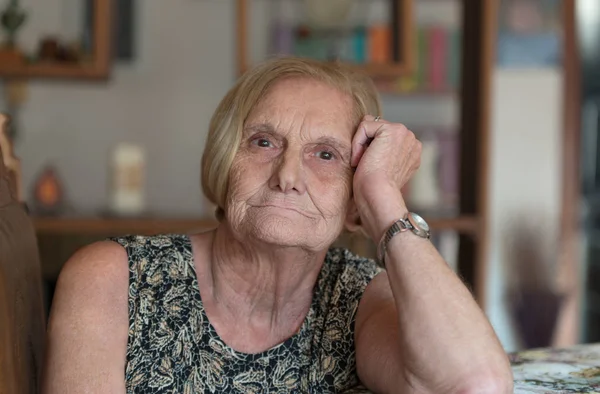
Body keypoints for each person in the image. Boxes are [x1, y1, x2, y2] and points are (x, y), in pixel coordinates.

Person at [42, 57, 513, 393]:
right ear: (225, 164)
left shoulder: (362, 297)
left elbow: (476, 383)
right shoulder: (112, 278)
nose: (288, 176)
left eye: (325, 155)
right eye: (264, 142)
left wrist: (386, 202)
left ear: (354, 198)